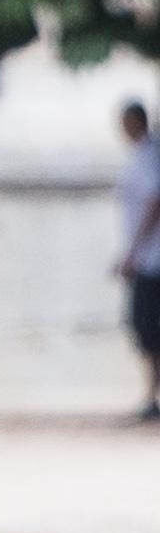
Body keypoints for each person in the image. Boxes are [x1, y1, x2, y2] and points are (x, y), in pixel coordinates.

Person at [117, 103, 160, 422]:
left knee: (147, 326)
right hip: (147, 257)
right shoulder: (143, 156)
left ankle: (151, 394)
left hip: (152, 259)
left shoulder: (148, 157)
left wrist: (134, 252)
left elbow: (153, 200)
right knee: (144, 327)